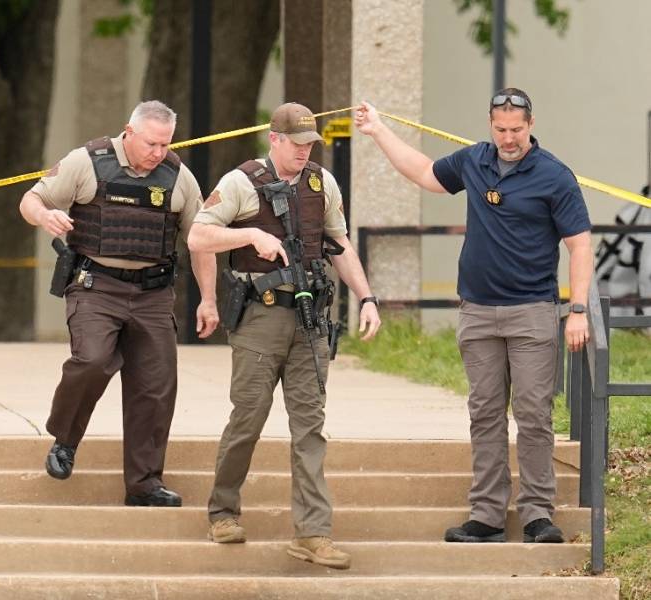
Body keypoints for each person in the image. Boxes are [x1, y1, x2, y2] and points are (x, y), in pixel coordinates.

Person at [354, 89, 592, 544]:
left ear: (531, 124)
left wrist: (576, 309)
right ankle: (486, 515)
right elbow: (424, 173)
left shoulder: (554, 176)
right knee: (484, 413)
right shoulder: (474, 161)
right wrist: (378, 130)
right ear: (490, 124)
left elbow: (580, 244)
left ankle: (539, 514)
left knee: (534, 414)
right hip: (478, 311)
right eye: (500, 129)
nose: (508, 138)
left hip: (532, 311)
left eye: (516, 130)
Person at [188, 102, 381, 570]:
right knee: (248, 418)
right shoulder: (242, 182)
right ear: (274, 139)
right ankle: (223, 511)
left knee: (310, 426)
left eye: (309, 144)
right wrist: (249, 236)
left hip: (310, 319)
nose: (303, 152)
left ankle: (313, 533)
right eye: (296, 144)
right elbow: (198, 237)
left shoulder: (321, 182)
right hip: (260, 317)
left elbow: (339, 244)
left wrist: (367, 297)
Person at [19, 100, 218, 508]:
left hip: (153, 293)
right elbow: (30, 201)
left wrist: (209, 300)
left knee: (156, 386)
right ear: (128, 131)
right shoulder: (87, 162)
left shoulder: (179, 177)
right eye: (151, 143)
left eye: (165, 144)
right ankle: (65, 441)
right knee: (92, 360)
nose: (158, 152)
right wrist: (45, 217)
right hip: (96, 286)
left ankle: (144, 484)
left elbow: (201, 242)